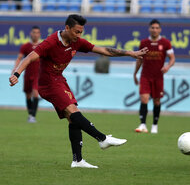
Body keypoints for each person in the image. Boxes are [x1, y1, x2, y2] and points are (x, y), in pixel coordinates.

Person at [9, 14, 148, 168]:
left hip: (59, 81)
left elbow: (104, 50)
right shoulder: (51, 42)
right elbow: (29, 57)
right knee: (73, 111)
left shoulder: (77, 42)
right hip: (48, 84)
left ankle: (78, 160)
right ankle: (102, 139)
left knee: (72, 118)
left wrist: (130, 53)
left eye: (81, 32)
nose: (79, 35)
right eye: (76, 31)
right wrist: (17, 73)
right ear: (67, 28)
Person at [133, 19, 175, 134]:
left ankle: (155, 125)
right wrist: (135, 73)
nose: (155, 30)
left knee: (157, 101)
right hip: (145, 76)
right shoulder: (144, 43)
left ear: (160, 30)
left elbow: (172, 58)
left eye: (157, 28)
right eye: (153, 28)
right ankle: (142, 124)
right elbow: (139, 60)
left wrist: (168, 67)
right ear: (149, 29)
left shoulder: (166, 43)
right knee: (144, 99)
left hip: (158, 77)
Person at [12, 26, 41, 123]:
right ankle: (30, 115)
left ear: (39, 34)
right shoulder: (25, 46)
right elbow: (19, 58)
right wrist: (15, 70)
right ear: (31, 33)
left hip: (38, 75)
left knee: (35, 93)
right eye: (34, 32)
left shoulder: (42, 46)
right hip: (27, 74)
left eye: (37, 32)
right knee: (28, 95)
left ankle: (33, 116)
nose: (35, 34)